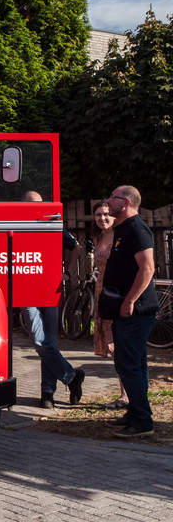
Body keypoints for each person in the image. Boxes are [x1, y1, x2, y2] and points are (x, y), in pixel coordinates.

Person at [20, 190, 85, 409]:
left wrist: (66, 271)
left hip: (50, 288)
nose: (32, 208)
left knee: (49, 339)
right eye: (28, 205)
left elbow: (75, 246)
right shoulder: (17, 224)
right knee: (39, 340)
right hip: (26, 289)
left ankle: (47, 392)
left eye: (36, 204)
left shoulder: (51, 224)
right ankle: (72, 377)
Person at [103, 185, 159, 438]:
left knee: (128, 365)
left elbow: (147, 268)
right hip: (127, 310)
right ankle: (136, 413)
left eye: (112, 198)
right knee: (134, 364)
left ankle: (142, 421)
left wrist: (130, 301)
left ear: (125, 202)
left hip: (135, 312)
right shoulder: (123, 229)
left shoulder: (137, 229)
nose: (107, 201)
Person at [90, 200, 128, 408]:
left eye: (106, 214)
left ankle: (127, 394)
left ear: (114, 216)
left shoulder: (120, 237)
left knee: (119, 346)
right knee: (113, 347)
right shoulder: (98, 237)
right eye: (98, 215)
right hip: (102, 294)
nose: (102, 218)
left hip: (115, 295)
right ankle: (125, 393)